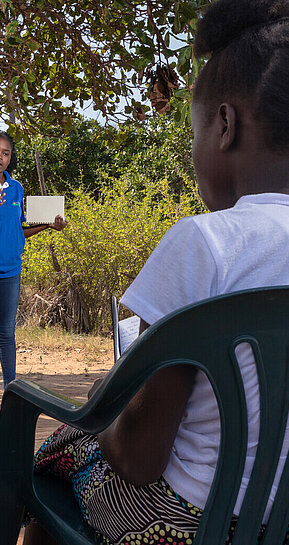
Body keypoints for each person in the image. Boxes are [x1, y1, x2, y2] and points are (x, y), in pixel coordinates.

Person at [25, 1, 289, 544]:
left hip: (188, 524)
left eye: (191, 135)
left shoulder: (206, 242)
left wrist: (107, 401)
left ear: (223, 126)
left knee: (66, 446)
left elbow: (140, 458)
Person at [0, 128, 67, 415]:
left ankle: (10, 391)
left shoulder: (16, 189)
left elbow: (19, 230)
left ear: (10, 158)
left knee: (7, 332)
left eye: (5, 153)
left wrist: (48, 226)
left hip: (11, 270)